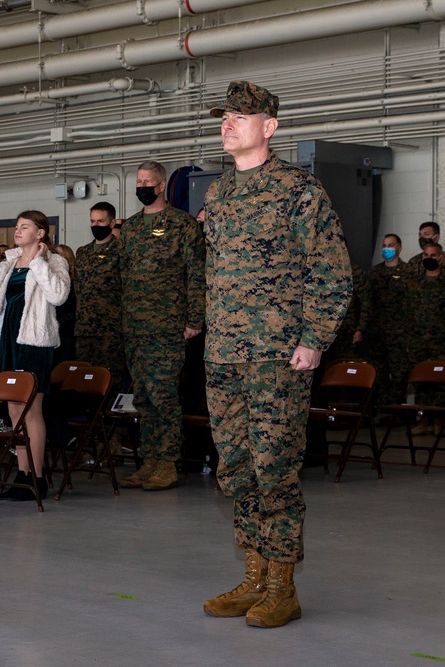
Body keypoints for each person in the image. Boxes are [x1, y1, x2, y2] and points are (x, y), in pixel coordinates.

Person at [201, 81, 352, 628]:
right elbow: (215, 273)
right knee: (235, 468)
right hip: (223, 354)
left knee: (275, 470)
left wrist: (314, 340)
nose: (227, 123)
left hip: (276, 356)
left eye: (240, 116)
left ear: (270, 127)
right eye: (224, 116)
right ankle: (254, 576)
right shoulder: (218, 194)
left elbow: (332, 272)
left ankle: (282, 587)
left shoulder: (298, 190)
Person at [119, 160, 205, 492]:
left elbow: (196, 276)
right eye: (138, 181)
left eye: (147, 181)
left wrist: (194, 319)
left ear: (161, 185)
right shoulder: (131, 228)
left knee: (164, 395)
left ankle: (168, 462)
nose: (142, 186)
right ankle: (149, 461)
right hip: (136, 327)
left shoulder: (183, 225)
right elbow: (124, 277)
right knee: (142, 397)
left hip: (168, 326)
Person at [0, 210, 70, 500]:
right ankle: (21, 472)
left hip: (34, 341)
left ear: (40, 233)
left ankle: (38, 477)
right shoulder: (9, 261)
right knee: (13, 408)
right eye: (17, 227)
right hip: (9, 339)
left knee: (32, 408)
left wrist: (40, 263)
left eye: (24, 227)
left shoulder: (54, 261)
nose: (17, 231)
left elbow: (58, 296)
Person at [404, 241, 445, 436]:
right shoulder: (414, 283)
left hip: (443, 341)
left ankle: (439, 420)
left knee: (441, 382)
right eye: (426, 256)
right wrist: (407, 341)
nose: (429, 259)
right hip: (418, 342)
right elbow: (406, 313)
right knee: (422, 382)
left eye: (433, 256)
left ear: (442, 259)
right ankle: (424, 419)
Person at [75, 202, 128, 390]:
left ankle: (111, 416)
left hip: (111, 329)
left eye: (100, 221)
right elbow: (77, 287)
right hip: (84, 328)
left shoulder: (122, 251)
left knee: (110, 378)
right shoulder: (82, 253)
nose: (96, 225)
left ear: (112, 222)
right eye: (92, 221)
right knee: (83, 378)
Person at [367, 234, 409, 409]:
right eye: (384, 245)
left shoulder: (408, 272)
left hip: (400, 333)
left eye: (391, 245)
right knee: (379, 372)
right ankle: (383, 409)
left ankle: (396, 410)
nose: (387, 248)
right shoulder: (374, 273)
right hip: (377, 333)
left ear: (399, 247)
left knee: (400, 373)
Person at [324, 261, 370, 364]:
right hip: (326, 333)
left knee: (347, 368)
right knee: (328, 371)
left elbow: (366, 303)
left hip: (348, 332)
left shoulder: (354, 272)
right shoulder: (322, 270)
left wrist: (361, 329)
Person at [52, 244, 78, 365]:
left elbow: (76, 309)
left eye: (60, 255)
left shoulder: (74, 282)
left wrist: (60, 321)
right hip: (51, 332)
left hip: (66, 332)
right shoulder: (50, 280)